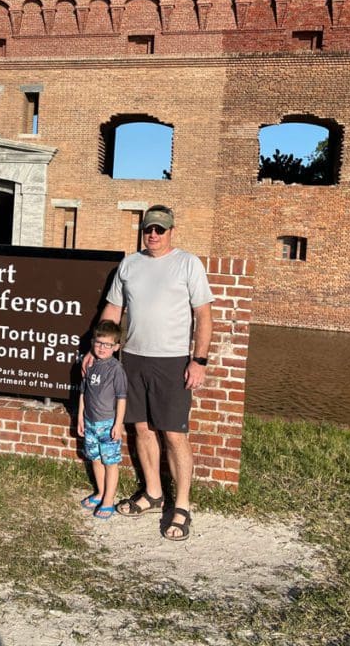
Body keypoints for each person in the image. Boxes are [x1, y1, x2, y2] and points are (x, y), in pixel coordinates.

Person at [89, 204, 213, 540]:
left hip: (172, 360)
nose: (153, 234)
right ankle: (154, 493)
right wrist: (96, 351)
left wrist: (198, 360)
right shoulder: (130, 264)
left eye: (160, 229)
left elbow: (203, 315)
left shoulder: (188, 263)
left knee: (174, 434)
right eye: (148, 229)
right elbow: (114, 309)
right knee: (141, 428)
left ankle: (183, 505)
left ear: (172, 230)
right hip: (133, 358)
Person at [77, 319, 128, 520]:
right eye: (99, 343)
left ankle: (108, 500)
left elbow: (122, 398)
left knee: (110, 462)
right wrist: (81, 417)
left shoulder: (116, 369)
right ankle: (100, 492)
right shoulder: (90, 364)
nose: (102, 348)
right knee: (95, 459)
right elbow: (83, 392)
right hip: (90, 422)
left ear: (116, 347)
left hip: (107, 424)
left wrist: (118, 423)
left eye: (107, 344)